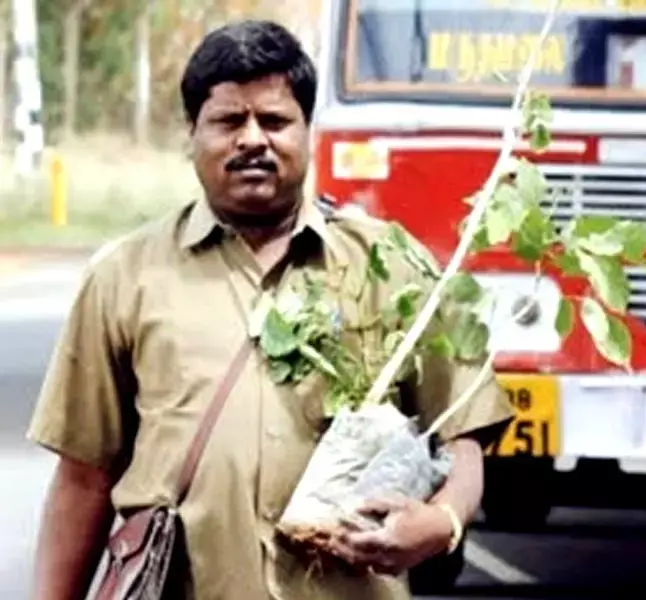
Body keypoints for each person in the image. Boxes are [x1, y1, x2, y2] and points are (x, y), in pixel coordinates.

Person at [27, 19, 514, 599]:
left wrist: (444, 522)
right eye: (229, 121)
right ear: (192, 132)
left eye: (275, 121)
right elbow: (84, 479)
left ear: (309, 130)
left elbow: (461, 431)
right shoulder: (124, 277)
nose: (253, 139)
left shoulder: (390, 265)